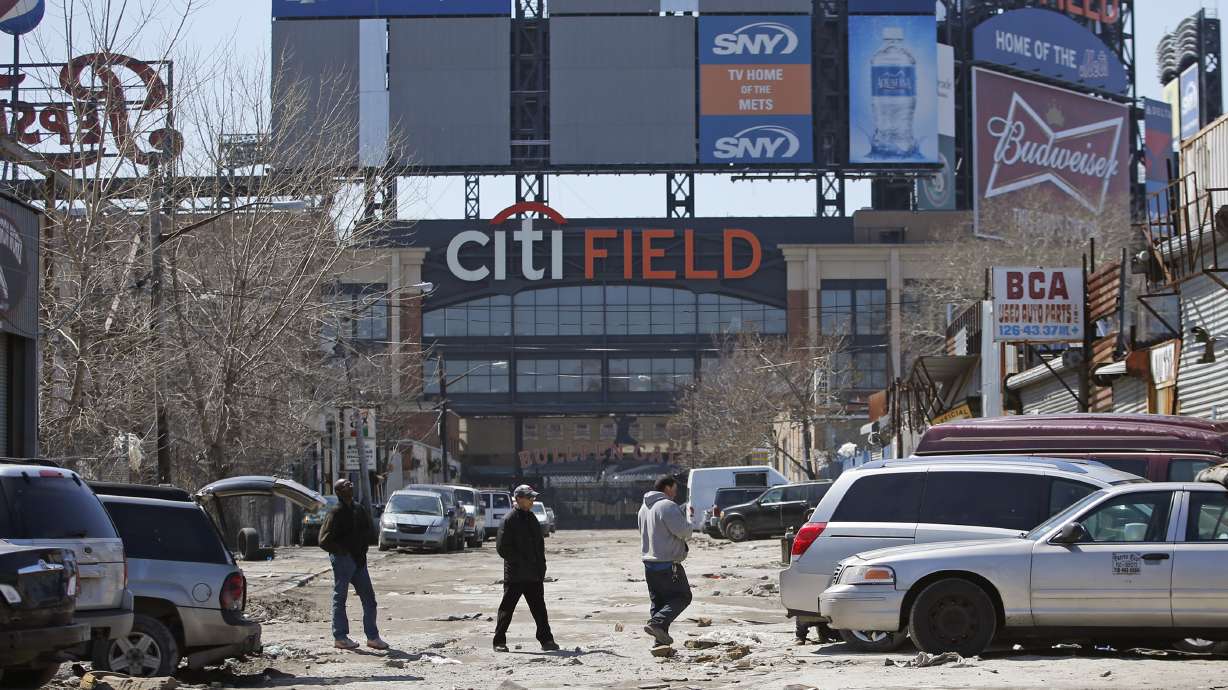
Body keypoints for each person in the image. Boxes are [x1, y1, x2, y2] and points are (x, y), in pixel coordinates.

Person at [318, 477, 389, 651]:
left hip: (359, 560)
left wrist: (363, 548)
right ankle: (340, 637)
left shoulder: (358, 509)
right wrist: (342, 551)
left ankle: (373, 637)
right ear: (339, 491)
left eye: (351, 484)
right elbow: (323, 540)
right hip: (343, 560)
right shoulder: (335, 512)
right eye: (345, 485)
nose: (350, 486)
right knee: (340, 598)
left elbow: (368, 531)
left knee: (369, 599)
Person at [493, 484, 559, 653]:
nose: (532, 500)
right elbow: (503, 548)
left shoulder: (532, 518)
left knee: (539, 609)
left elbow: (539, 545)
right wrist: (521, 561)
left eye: (533, 497)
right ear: (519, 499)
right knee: (507, 609)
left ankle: (547, 640)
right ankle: (499, 641)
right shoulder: (508, 520)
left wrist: (541, 566)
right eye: (529, 498)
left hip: (534, 574)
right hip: (515, 574)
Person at [637, 475, 692, 647]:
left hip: (649, 563)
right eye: (674, 489)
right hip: (668, 564)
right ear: (667, 488)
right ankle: (657, 623)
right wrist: (689, 526)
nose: (675, 494)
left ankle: (660, 643)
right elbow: (683, 531)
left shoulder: (644, 508)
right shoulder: (666, 505)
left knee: (659, 602)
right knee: (682, 597)